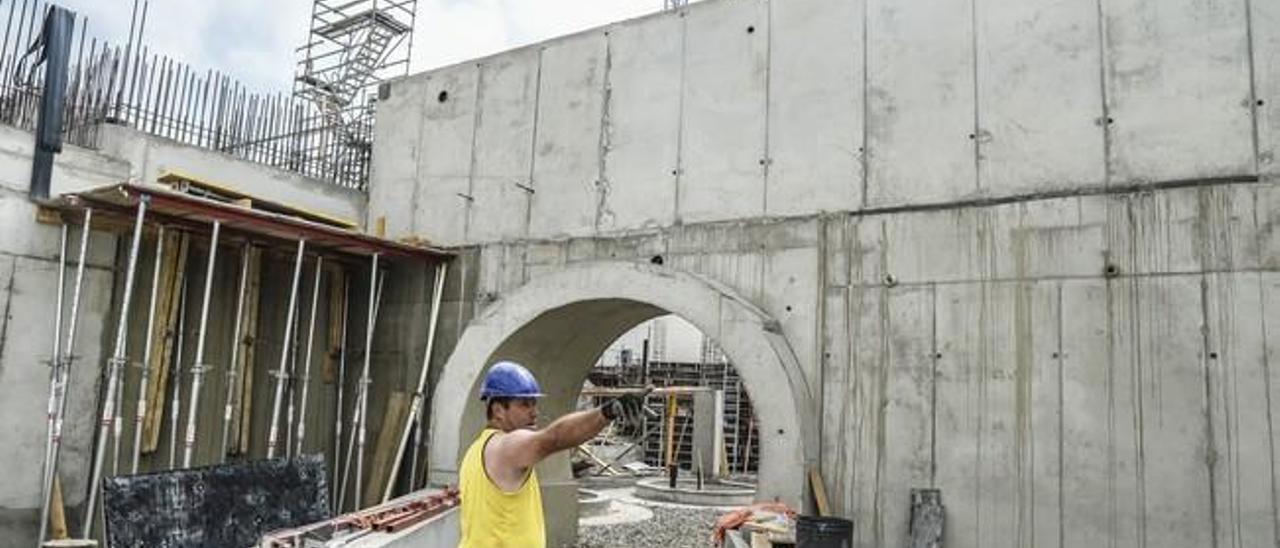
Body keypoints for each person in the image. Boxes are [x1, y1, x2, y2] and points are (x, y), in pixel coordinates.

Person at [458, 360, 648, 547]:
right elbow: (553, 439)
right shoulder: (506, 446)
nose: (534, 413)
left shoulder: (475, 451)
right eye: (525, 404)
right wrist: (607, 412)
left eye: (534, 403)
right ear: (498, 410)